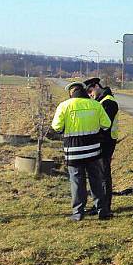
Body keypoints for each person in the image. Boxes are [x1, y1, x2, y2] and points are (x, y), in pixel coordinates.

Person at [51, 81, 112, 221]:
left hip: (74, 152)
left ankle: (78, 213)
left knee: (77, 182)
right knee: (96, 180)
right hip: (93, 151)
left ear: (70, 93)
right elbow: (106, 125)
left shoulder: (64, 106)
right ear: (84, 91)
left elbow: (57, 127)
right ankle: (102, 211)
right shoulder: (95, 105)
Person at [84, 77, 119, 213]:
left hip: (106, 141)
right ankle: (99, 204)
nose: (90, 95)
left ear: (97, 86)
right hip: (103, 141)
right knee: (99, 174)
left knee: (104, 174)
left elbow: (104, 124)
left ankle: (104, 206)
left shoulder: (108, 102)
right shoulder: (102, 101)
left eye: (91, 91)